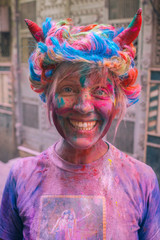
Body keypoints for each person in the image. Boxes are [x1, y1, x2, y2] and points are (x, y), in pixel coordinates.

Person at [0, 8, 160, 240]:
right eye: (68, 89)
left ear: (118, 100)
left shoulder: (142, 181)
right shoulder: (21, 177)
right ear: (49, 96)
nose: (84, 106)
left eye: (100, 91)